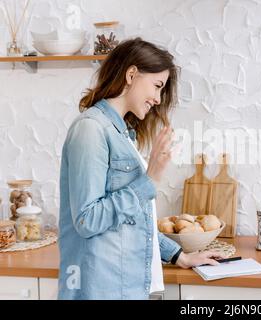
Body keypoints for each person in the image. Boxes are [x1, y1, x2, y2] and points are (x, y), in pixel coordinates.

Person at [58, 38, 225, 300]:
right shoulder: (90, 130)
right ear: (131, 74)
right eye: (157, 86)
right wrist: (150, 178)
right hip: (102, 289)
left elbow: (131, 222)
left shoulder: (123, 134)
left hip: (125, 286)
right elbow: (87, 220)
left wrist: (179, 255)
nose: (158, 99)